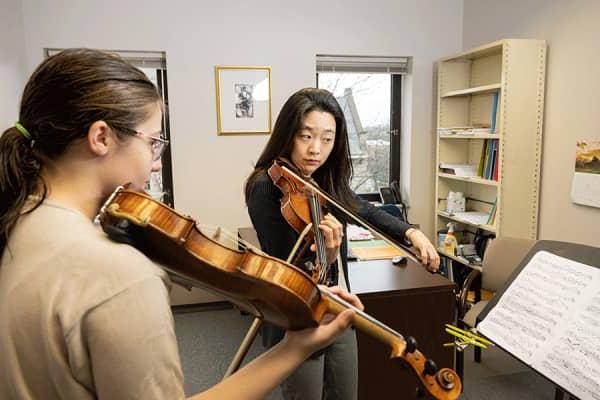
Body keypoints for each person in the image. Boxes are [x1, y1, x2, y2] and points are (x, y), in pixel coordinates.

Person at [0, 49, 363, 400]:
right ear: (101, 138)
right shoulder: (120, 275)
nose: (156, 164)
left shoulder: (17, 222)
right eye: (154, 143)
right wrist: (292, 350)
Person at [244, 87, 440, 400]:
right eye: (306, 136)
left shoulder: (321, 180)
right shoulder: (267, 187)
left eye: (327, 138)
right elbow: (286, 270)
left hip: (339, 308)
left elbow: (361, 208)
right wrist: (329, 256)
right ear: (287, 134)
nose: (315, 150)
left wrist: (410, 233)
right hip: (297, 319)